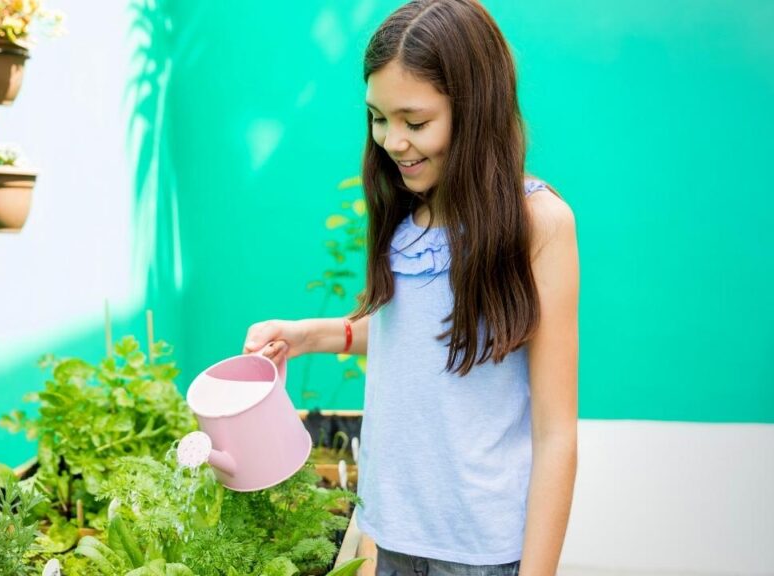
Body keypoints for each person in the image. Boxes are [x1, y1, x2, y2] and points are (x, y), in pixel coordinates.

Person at [242, 1, 579, 575]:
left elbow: (555, 435)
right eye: (378, 117)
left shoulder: (539, 224)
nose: (393, 141)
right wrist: (309, 335)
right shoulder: (406, 211)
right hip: (392, 538)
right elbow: (420, 338)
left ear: (476, 110)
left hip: (482, 554)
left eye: (415, 122)